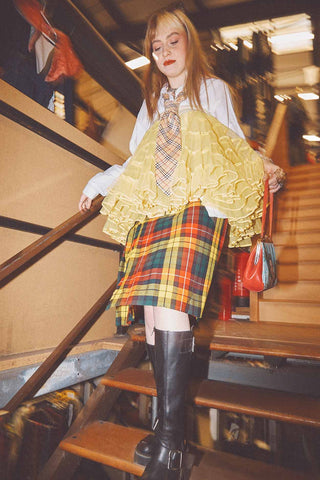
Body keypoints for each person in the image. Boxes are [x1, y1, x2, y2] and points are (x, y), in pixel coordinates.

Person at [79, 7, 284, 479]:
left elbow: (234, 144)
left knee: (171, 304)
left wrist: (264, 166)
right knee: (153, 314)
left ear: (190, 43)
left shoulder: (213, 91)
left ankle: (172, 445)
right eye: (156, 46)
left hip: (197, 203)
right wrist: (101, 180)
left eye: (173, 41)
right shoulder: (151, 105)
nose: (165, 51)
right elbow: (137, 160)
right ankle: (167, 427)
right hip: (157, 207)